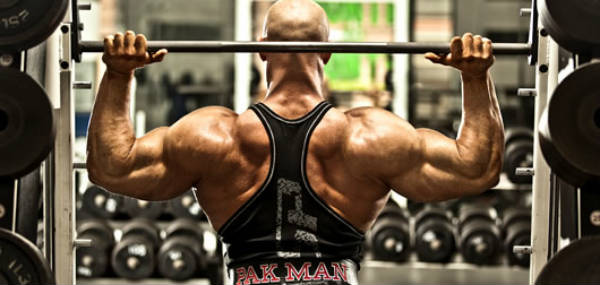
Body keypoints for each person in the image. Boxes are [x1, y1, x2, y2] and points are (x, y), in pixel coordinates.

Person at [86, 0, 504, 284]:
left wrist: (119, 75)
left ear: (262, 51)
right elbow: (476, 169)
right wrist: (475, 77)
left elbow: (112, 167)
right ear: (326, 53)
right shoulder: (369, 137)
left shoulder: (214, 137)